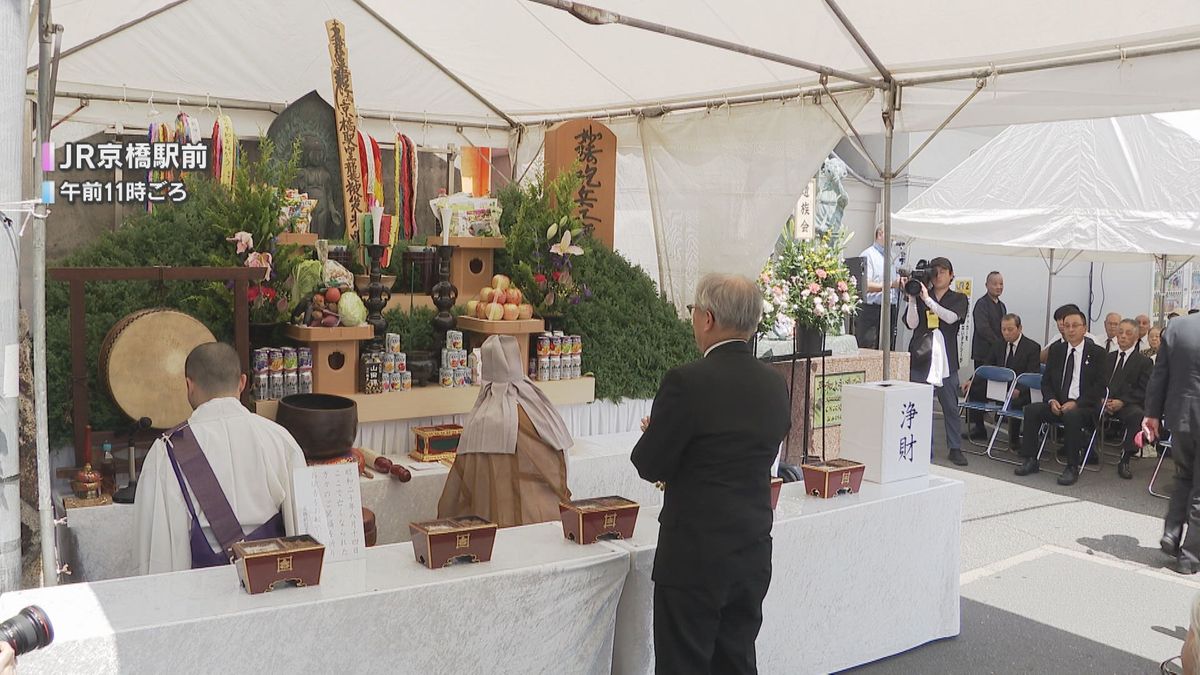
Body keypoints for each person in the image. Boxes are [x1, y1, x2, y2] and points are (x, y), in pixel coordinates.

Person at [632, 273, 791, 675]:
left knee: (684, 663)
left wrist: (661, 435)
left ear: (707, 318)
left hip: (694, 555)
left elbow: (649, 463)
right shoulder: (774, 384)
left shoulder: (686, 382)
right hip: (752, 546)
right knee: (736, 660)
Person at [134, 342, 307, 574]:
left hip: (202, 596)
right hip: (271, 587)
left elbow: (158, 551)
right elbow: (306, 531)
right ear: (243, 383)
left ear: (189, 385)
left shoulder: (167, 451)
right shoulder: (279, 438)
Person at [438, 335, 573, 527]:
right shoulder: (540, 411)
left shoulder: (480, 422)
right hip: (545, 525)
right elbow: (563, 464)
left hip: (494, 530)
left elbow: (461, 490)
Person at [1015, 307, 1107, 486]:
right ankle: (1030, 459)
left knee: (1072, 416)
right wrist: (1051, 400)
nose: (1070, 330)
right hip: (1058, 404)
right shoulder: (1057, 350)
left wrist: (1077, 403)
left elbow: (1100, 387)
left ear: (1084, 328)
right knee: (1032, 410)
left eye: (1075, 326)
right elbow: (1046, 381)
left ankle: (1072, 466)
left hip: (1084, 407)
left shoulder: (1097, 353)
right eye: (1067, 326)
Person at [1143, 311, 1200, 575]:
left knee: (1184, 476)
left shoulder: (1177, 326)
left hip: (1180, 416)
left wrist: (1152, 414)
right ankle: (1189, 556)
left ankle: (1172, 531)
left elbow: (1160, 375)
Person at [902, 257, 970, 466]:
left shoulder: (959, 298)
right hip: (922, 355)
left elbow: (951, 318)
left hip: (946, 358)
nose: (938, 275)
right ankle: (923, 447)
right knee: (921, 404)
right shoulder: (921, 294)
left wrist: (928, 300)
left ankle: (955, 447)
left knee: (950, 405)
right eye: (935, 271)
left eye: (943, 271)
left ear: (951, 275)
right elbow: (911, 324)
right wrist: (913, 299)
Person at [962, 313, 1040, 446]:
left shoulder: (1032, 347)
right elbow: (986, 365)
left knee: (1017, 400)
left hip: (1020, 389)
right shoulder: (998, 344)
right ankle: (979, 428)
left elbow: (1032, 373)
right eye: (1003, 329)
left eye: (1010, 329)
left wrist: (1019, 390)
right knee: (974, 389)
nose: (1006, 333)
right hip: (999, 386)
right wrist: (971, 380)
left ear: (1019, 328)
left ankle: (1014, 439)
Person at [1103, 319, 1153, 480]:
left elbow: (1143, 390)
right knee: (1082, 406)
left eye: (1128, 333)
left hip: (1127, 403)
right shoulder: (1108, 358)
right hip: (1105, 401)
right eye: (1120, 332)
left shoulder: (1144, 362)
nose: (1123, 336)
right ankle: (1086, 449)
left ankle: (1125, 459)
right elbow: (1096, 382)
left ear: (1137, 336)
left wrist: (1122, 401)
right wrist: (1102, 399)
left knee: (1137, 415)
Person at [965, 272, 1007, 439]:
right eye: (995, 284)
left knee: (998, 386)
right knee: (978, 389)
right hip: (983, 353)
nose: (998, 287)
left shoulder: (1002, 306)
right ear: (987, 285)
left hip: (998, 354)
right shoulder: (981, 304)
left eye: (1001, 284)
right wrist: (998, 343)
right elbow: (983, 329)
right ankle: (978, 425)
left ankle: (998, 415)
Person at [855, 226, 901, 350]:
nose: (893, 239)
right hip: (872, 310)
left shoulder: (893, 257)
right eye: (891, 235)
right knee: (869, 347)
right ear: (880, 234)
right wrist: (890, 284)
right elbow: (865, 285)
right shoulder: (868, 255)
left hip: (890, 309)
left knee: (888, 349)